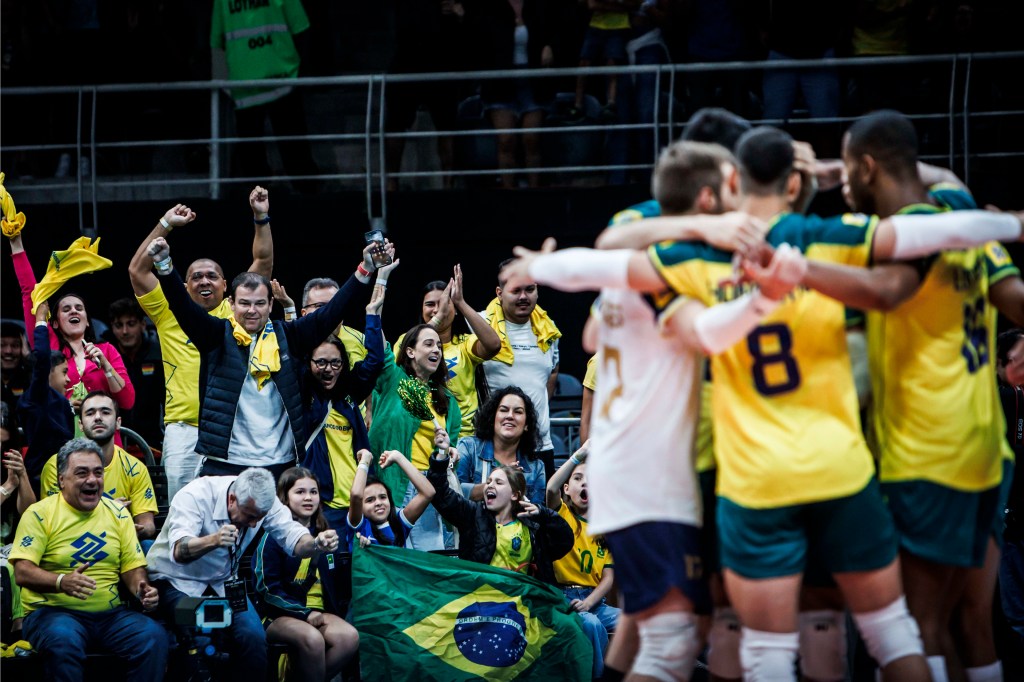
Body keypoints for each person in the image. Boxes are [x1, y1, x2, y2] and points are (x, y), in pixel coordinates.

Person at [586, 128, 1024, 679]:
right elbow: (915, 239)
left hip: (744, 475)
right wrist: (1009, 223)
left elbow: (607, 257)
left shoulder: (694, 253)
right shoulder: (828, 237)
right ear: (795, 182)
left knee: (728, 637)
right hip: (847, 466)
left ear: (733, 179)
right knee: (894, 632)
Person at [505, 139, 809, 681]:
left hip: (647, 466)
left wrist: (549, 265)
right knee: (679, 633)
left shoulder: (641, 265)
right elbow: (701, 329)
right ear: (713, 193)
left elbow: (593, 324)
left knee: (654, 621)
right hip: (661, 471)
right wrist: (763, 298)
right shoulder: (673, 266)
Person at [799, 109, 1020, 682]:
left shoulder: (887, 243)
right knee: (973, 623)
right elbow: (1016, 299)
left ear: (868, 168)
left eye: (850, 167)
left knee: (916, 630)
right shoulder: (960, 218)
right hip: (986, 450)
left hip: (926, 455)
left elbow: (880, 306)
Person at [142, 235, 387, 478]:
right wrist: (164, 265)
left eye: (259, 303)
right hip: (226, 462)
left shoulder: (290, 337)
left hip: (280, 463)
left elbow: (330, 313)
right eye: (244, 303)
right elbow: (182, 307)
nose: (252, 310)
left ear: (270, 304)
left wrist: (365, 268)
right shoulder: (215, 336)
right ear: (232, 304)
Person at [128, 192, 274, 501]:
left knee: (236, 508)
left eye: (212, 276)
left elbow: (262, 262)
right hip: (184, 429)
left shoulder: (238, 311)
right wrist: (166, 223)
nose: (204, 280)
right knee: (183, 510)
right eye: (196, 277)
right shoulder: (167, 309)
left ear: (226, 286)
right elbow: (138, 271)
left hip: (234, 426)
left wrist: (261, 217)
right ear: (184, 286)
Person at [146, 467, 340, 681]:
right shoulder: (195, 495)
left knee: (254, 636)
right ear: (232, 500)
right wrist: (213, 540)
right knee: (203, 632)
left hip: (223, 583)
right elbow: (179, 551)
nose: (254, 524)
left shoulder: (265, 502)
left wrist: (316, 544)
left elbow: (294, 538)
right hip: (176, 580)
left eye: (259, 518)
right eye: (249, 516)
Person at [10, 438, 166, 682]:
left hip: (110, 615)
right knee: (64, 641)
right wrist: (61, 581)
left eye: (98, 472)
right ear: (62, 480)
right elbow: (22, 571)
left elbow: (132, 567)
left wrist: (142, 589)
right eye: (82, 473)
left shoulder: (118, 514)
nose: (92, 480)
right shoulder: (39, 513)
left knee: (153, 636)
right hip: (52, 613)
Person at [303, 269, 391, 531]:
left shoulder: (348, 396)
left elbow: (375, 362)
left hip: (357, 505)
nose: (328, 369)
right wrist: (287, 311)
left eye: (335, 363)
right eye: (321, 363)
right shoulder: (301, 395)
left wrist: (373, 315)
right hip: (320, 504)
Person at [253, 467, 359, 681]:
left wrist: (361, 547)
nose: (308, 497)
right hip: (278, 615)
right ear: (284, 497)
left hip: (320, 612)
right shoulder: (273, 537)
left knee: (349, 637)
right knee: (312, 638)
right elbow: (267, 589)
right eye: (300, 492)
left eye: (313, 492)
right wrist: (304, 613)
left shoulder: (326, 534)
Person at [8, 230, 134, 412]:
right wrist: (16, 243)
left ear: (87, 321)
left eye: (79, 308)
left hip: (102, 430)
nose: (74, 310)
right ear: (55, 323)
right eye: (66, 309)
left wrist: (106, 365)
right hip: (62, 430)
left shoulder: (107, 350)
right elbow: (30, 293)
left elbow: (127, 402)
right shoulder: (50, 349)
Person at [368, 323, 461, 551]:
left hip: (427, 486)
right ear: (410, 351)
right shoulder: (395, 379)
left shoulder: (448, 401)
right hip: (393, 481)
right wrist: (374, 311)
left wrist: (449, 451)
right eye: (428, 344)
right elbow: (379, 348)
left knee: (430, 555)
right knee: (394, 554)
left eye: (439, 346)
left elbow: (449, 451)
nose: (436, 350)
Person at [210, 0, 320, 188]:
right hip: (281, 80)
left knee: (253, 164)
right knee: (296, 155)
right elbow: (301, 27)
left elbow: (217, 40)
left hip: (245, 85)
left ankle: (262, 201)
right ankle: (307, 194)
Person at [427, 447, 574, 584]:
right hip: (480, 595)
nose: (490, 485)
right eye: (489, 481)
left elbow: (565, 541)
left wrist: (544, 514)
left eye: (498, 482)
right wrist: (442, 453)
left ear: (514, 495)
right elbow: (441, 495)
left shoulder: (533, 526)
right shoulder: (473, 514)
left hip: (522, 597)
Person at [395, 266, 501, 438]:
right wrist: (439, 317)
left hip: (462, 437)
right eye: (430, 304)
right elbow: (396, 371)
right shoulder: (406, 342)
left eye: (444, 304)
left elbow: (494, 345)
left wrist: (460, 302)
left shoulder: (465, 344)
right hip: (418, 434)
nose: (437, 309)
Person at [39, 391, 157, 542]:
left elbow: (147, 524)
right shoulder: (57, 465)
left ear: (118, 422)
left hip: (121, 542)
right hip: (70, 543)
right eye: (90, 413)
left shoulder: (135, 468)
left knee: (148, 545)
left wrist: (132, 530)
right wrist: (108, 513)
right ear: (80, 425)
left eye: (105, 412)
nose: (98, 417)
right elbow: (53, 520)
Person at [545, 441, 619, 680]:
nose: (585, 483)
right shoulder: (562, 515)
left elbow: (608, 578)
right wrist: (578, 456)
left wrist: (589, 602)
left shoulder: (605, 528)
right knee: (591, 625)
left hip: (595, 600)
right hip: (565, 598)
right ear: (567, 489)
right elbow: (551, 488)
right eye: (578, 479)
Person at [480, 260, 561, 480]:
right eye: (516, 291)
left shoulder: (548, 328)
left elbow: (553, 370)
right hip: (494, 446)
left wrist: (532, 413)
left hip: (540, 445)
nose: (523, 296)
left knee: (541, 503)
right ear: (499, 293)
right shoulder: (479, 324)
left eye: (529, 289)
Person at [477, 0, 556, 189]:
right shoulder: (490, 8)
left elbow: (553, 30)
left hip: (532, 82)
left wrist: (549, 46)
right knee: (506, 140)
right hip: (501, 82)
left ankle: (533, 191)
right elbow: (481, 41)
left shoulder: (537, 6)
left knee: (531, 139)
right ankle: (509, 192)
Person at [456, 385, 546, 506]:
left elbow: (536, 513)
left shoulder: (536, 467)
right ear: (493, 418)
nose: (510, 416)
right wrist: (500, 479)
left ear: (526, 425)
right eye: (504, 410)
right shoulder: (468, 447)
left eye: (518, 412)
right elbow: (455, 491)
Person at [16, 302, 73, 484]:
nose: (68, 379)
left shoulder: (60, 401)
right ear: (48, 371)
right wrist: (40, 320)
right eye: (64, 372)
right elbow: (42, 357)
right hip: (40, 478)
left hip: (64, 475)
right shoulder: (35, 397)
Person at [102, 297, 164, 451]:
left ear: (142, 325)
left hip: (153, 443)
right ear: (112, 327)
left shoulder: (158, 355)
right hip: (113, 441)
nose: (125, 331)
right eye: (119, 325)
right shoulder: (104, 358)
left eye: (131, 324)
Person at [345, 449, 436, 552]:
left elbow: (428, 493)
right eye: (370, 500)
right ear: (360, 507)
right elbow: (356, 495)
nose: (378, 503)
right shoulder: (359, 527)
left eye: (383, 497)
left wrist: (398, 456)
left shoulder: (399, 523)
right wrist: (365, 460)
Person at [569, 0, 635, 123]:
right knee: (584, 63)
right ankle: (578, 105)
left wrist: (604, 5)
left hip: (619, 27)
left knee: (612, 64)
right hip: (596, 26)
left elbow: (634, 5)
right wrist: (619, 6)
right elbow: (592, 4)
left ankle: (611, 103)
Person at [0, 320, 29, 409]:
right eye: (2, 345)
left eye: (15, 345)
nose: (8, 351)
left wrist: (29, 358)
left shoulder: (29, 381)